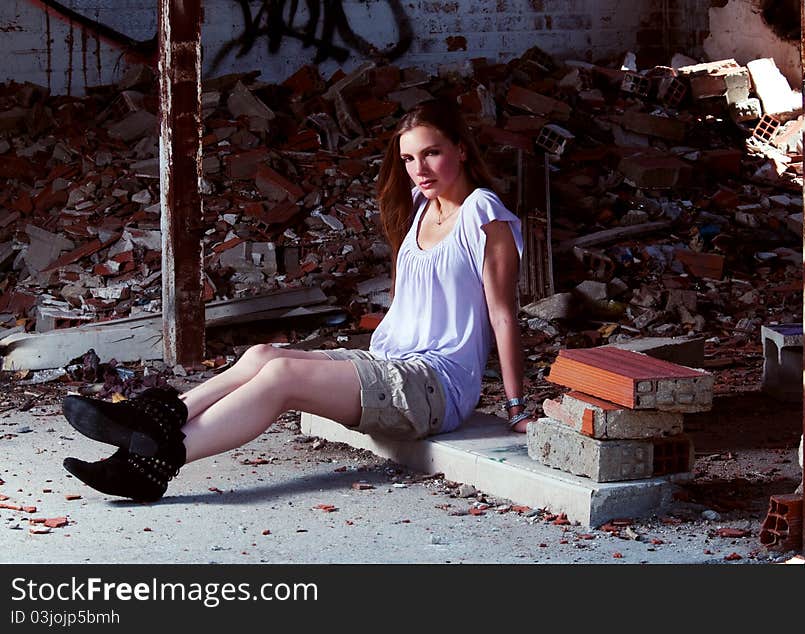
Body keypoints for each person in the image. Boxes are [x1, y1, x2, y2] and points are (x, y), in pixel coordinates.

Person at [61, 98, 538, 503]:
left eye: (432, 153)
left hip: (436, 385)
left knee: (282, 377)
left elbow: (502, 314)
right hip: (392, 364)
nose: (420, 169)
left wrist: (516, 408)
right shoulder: (419, 208)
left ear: (459, 147)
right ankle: (158, 420)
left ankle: (156, 459)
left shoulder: (483, 214)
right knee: (262, 355)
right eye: (410, 159)